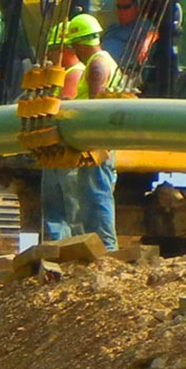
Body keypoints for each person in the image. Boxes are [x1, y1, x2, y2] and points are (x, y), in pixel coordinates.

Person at [65, 13, 119, 250]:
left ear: (79, 43)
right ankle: (98, 247)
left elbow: (96, 103)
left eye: (73, 45)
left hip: (95, 141)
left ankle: (105, 249)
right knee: (93, 195)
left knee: (96, 195)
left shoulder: (97, 63)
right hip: (97, 140)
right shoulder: (105, 59)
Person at [41, 31, 85, 241]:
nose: (49, 56)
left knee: (72, 209)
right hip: (55, 150)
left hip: (68, 152)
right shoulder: (66, 72)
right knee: (56, 211)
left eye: (52, 50)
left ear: (65, 50)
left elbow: (63, 106)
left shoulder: (75, 73)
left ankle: (76, 249)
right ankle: (56, 252)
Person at [101, 0, 156, 64]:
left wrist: (145, 44)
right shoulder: (112, 27)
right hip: (98, 65)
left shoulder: (141, 24)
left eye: (126, 7)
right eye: (119, 7)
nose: (122, 11)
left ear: (137, 8)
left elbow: (154, 33)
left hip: (123, 70)